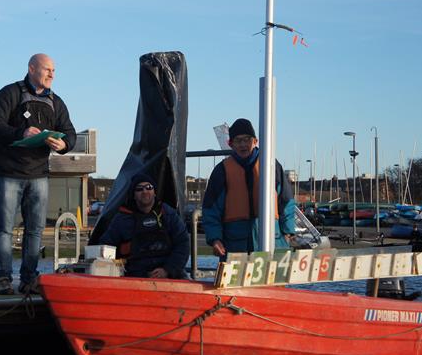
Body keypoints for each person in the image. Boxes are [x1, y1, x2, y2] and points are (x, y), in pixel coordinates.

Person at [0, 53, 76, 295]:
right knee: (4, 228)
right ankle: (3, 279)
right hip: (8, 173)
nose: (52, 75)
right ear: (31, 68)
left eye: (54, 71)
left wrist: (64, 145)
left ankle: (29, 279)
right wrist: (22, 133)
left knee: (35, 230)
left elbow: (70, 133)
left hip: (39, 176)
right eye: (47, 69)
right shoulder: (9, 93)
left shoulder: (56, 102)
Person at [202, 118, 295, 259]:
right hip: (235, 246)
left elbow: (286, 201)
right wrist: (215, 239)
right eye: (238, 140)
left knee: (274, 281)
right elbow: (211, 210)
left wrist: (288, 233)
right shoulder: (221, 171)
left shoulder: (272, 166)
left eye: (247, 139)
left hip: (273, 241)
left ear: (255, 141)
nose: (243, 144)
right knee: (236, 282)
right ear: (230, 144)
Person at [99, 173, 189, 279]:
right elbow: (105, 246)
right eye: (139, 189)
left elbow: (183, 244)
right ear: (133, 195)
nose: (145, 191)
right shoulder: (121, 219)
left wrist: (167, 270)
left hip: (169, 276)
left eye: (149, 187)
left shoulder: (168, 214)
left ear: (154, 192)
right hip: (134, 277)